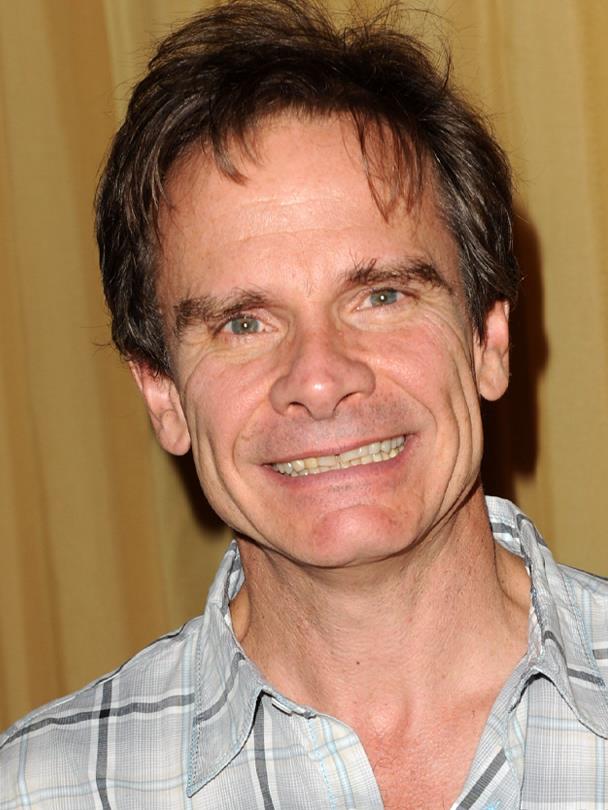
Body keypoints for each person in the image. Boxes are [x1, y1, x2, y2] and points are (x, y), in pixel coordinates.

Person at [2, 1, 608, 808]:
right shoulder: (42, 790)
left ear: (488, 341)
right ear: (162, 394)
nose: (319, 380)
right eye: (243, 323)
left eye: (382, 296)